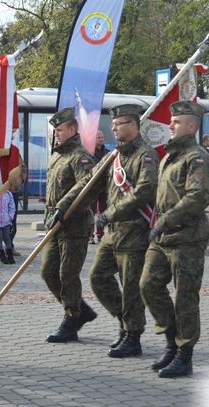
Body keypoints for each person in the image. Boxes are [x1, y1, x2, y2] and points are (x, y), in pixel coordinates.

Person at [57, 104, 158, 357]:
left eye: (119, 124)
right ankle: (124, 320)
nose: (113, 128)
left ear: (133, 125)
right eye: (112, 125)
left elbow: (144, 191)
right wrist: (64, 205)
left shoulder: (145, 156)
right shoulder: (113, 156)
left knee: (131, 286)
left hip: (134, 231)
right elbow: (88, 182)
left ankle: (133, 336)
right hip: (113, 233)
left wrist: (110, 213)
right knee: (98, 277)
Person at [140, 101, 209, 378]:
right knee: (148, 286)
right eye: (171, 121)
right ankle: (171, 341)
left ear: (192, 126)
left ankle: (185, 354)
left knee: (185, 297)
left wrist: (165, 220)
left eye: (177, 121)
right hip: (163, 236)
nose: (170, 125)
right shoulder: (169, 156)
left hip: (187, 237)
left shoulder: (198, 158)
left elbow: (197, 197)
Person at [42, 107, 97, 343]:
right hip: (54, 224)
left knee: (68, 275)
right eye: (55, 131)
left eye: (60, 130)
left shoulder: (80, 157)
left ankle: (72, 318)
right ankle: (80, 309)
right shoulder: (57, 156)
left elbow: (87, 188)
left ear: (73, 129)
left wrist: (64, 207)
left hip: (74, 226)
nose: (57, 134)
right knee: (48, 272)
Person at [90, 129, 110, 243]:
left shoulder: (107, 153)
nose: (101, 139)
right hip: (92, 186)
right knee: (91, 212)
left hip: (104, 186)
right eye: (99, 138)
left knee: (102, 212)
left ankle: (100, 234)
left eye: (102, 137)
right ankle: (90, 235)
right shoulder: (89, 153)